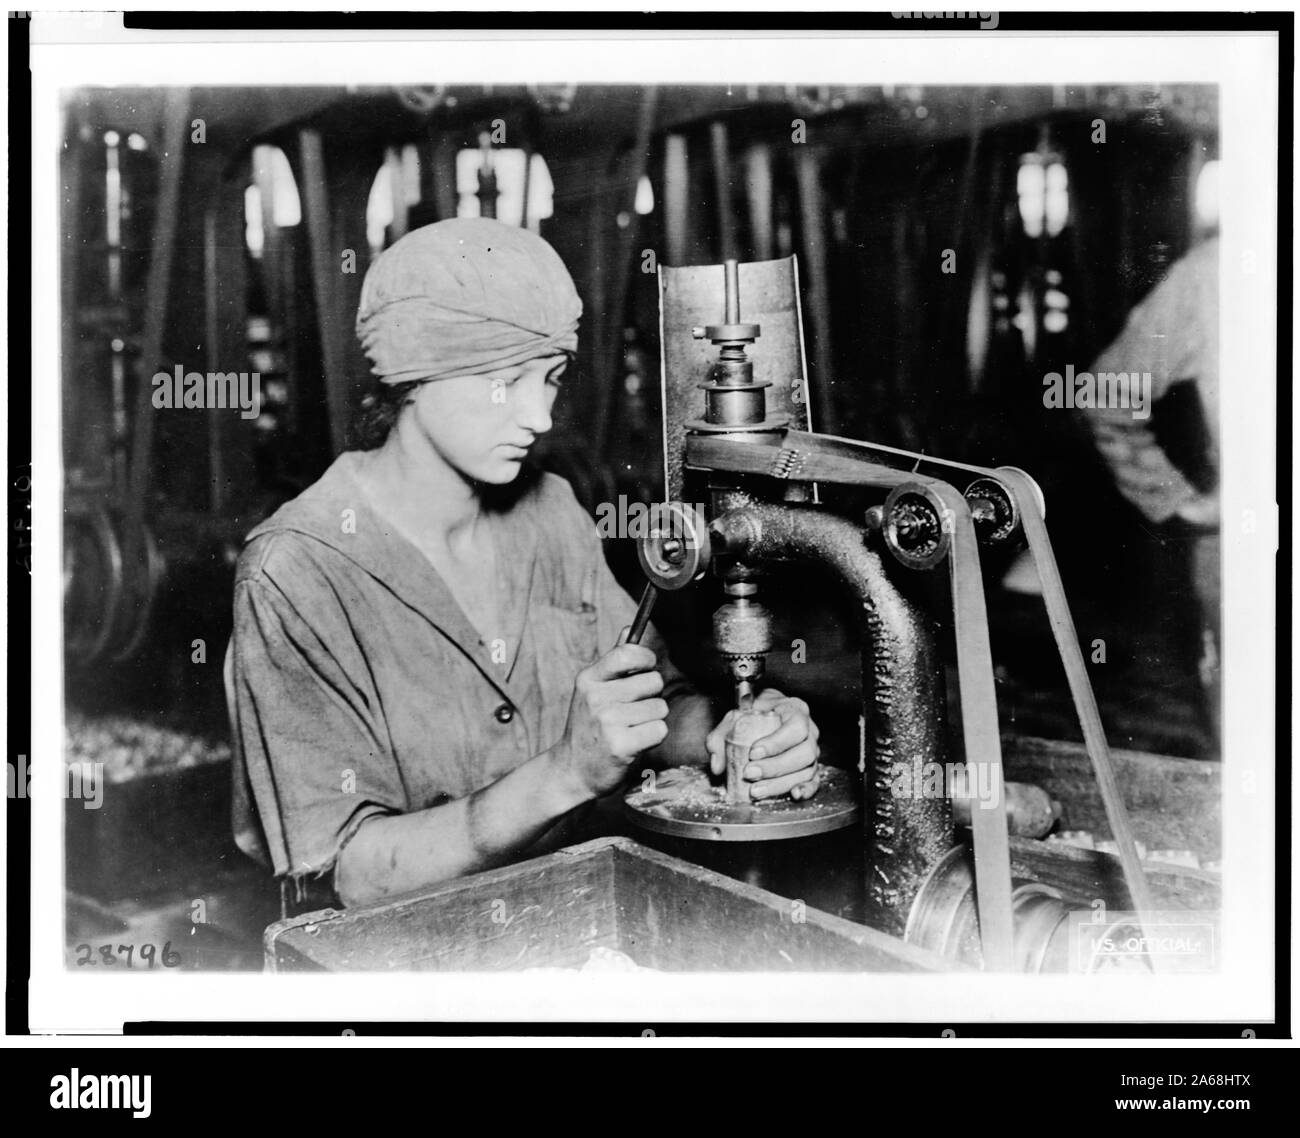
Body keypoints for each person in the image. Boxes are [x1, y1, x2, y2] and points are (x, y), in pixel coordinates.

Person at [229, 218, 822, 909]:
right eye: (507, 381)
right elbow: (357, 871)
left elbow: (654, 705)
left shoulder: (549, 511)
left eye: (552, 378)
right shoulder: (297, 572)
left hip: (576, 922)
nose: (541, 416)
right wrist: (565, 774)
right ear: (414, 374)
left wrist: (740, 734)